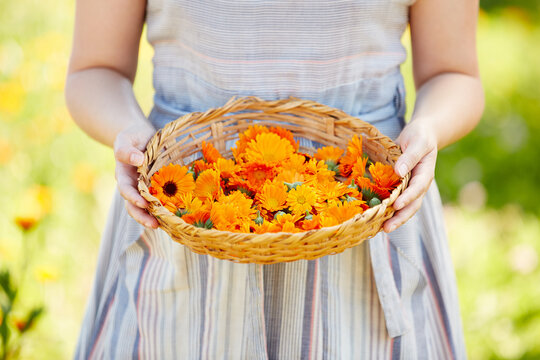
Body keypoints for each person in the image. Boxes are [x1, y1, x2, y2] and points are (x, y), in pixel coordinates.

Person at [65, 0, 484, 358]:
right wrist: (130, 135)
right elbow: (95, 69)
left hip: (364, 219)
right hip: (186, 220)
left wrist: (427, 129)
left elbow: (454, 74)